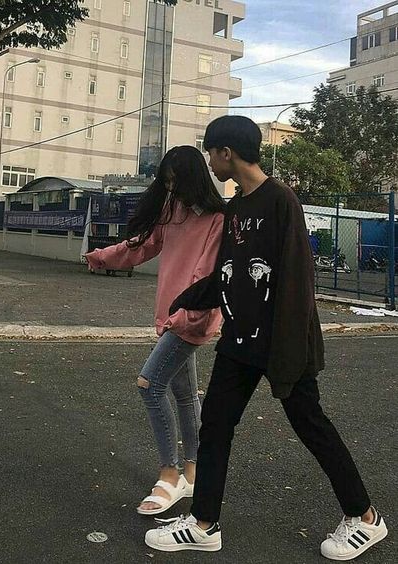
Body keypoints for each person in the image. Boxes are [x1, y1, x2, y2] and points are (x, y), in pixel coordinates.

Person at [144, 116, 388, 560]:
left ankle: (366, 518)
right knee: (215, 426)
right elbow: (229, 273)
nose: (210, 163)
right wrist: (190, 298)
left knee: (311, 426)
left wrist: (288, 355)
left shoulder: (281, 200)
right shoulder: (235, 207)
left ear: (227, 153)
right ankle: (203, 524)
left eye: (211, 153)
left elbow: (297, 282)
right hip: (239, 341)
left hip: (283, 343)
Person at [86, 146, 225, 515]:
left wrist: (182, 317)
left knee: (149, 385)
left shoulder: (217, 219)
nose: (172, 188)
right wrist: (102, 257)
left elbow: (205, 277)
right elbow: (143, 246)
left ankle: (169, 473)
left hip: (190, 318)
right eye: (167, 182)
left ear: (193, 178)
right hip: (171, 317)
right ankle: (194, 471)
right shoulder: (171, 211)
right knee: (184, 395)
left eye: (176, 181)